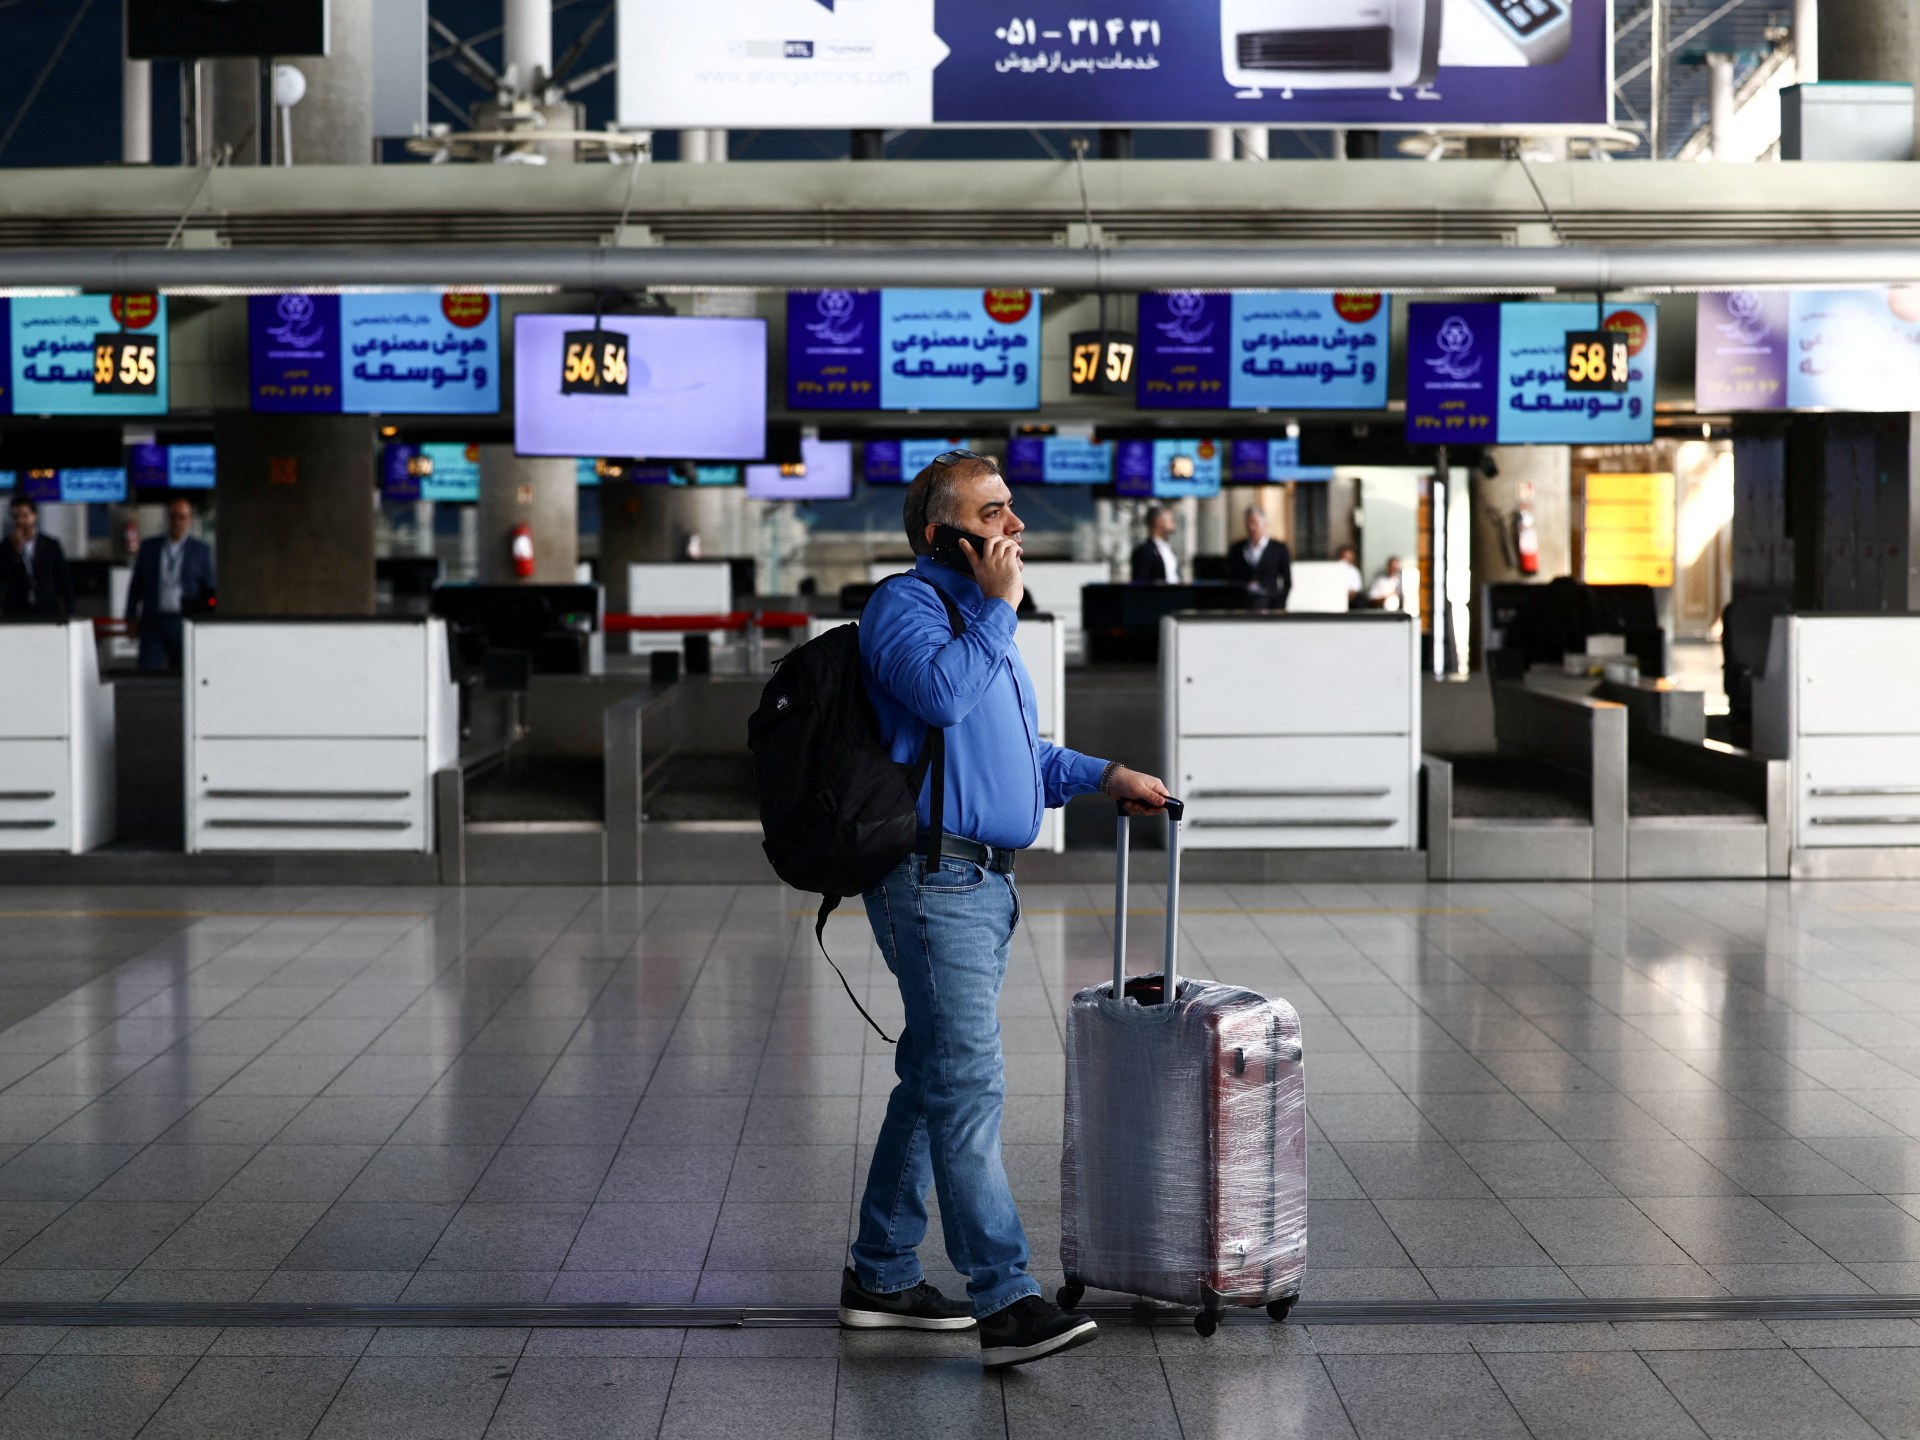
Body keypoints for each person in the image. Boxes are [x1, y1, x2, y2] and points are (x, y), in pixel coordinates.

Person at [843, 449, 1171, 1368]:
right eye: (992, 513)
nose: (1014, 525)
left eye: (1011, 508)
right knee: (969, 1083)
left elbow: (1017, 753)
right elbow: (940, 698)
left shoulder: (982, 622)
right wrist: (997, 608)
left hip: (985, 883)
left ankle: (879, 1273)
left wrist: (1103, 775)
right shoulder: (907, 606)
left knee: (934, 1077)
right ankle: (1005, 1297)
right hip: (932, 881)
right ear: (941, 533)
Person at [126, 498, 215, 671]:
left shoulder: (200, 551)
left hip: (183, 619)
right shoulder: (150, 547)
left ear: (189, 520)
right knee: (148, 669)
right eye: (173, 516)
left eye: (182, 517)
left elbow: (208, 587)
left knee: (184, 670)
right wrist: (130, 616)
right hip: (154, 619)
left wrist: (206, 620)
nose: (177, 522)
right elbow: (136, 585)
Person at [0, 494, 74, 618]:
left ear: (34, 516)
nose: (20, 521)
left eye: (25, 516)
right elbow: (4, 577)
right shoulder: (6, 546)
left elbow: (64, 579)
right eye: (16, 517)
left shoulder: (51, 545)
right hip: (17, 611)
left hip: (46, 609)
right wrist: (16, 552)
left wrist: (69, 610)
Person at [1225, 505, 1292, 610]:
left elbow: (1287, 581)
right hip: (1243, 605)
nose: (1252, 527)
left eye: (1255, 523)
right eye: (1249, 523)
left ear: (1265, 524)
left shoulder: (1278, 549)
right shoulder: (1237, 549)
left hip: (1270, 605)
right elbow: (1231, 578)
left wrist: (1280, 604)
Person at [1129, 504, 1180, 583]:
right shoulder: (1144, 551)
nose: (1174, 523)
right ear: (1157, 521)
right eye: (1171, 520)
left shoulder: (1169, 548)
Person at [1334, 544, 1365, 610]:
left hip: (1350, 601)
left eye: (1350, 557)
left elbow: (1354, 592)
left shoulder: (1354, 571)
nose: (1348, 559)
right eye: (1345, 556)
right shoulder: (1333, 569)